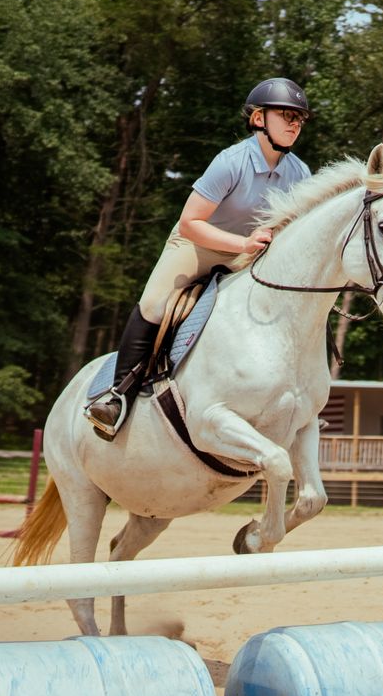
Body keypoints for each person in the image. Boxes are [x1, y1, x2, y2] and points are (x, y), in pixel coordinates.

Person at [86, 78, 313, 437]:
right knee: (154, 305)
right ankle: (117, 396)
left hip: (250, 254)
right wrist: (243, 245)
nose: (294, 124)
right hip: (198, 245)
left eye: (300, 118)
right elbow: (190, 223)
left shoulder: (299, 173)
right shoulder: (230, 162)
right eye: (286, 115)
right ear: (258, 119)